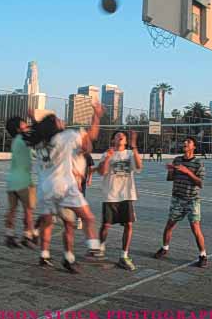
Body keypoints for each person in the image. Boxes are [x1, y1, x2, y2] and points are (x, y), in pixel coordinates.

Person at [30, 103, 104, 274]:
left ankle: (50, 250)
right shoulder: (66, 137)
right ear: (54, 126)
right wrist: (97, 115)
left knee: (55, 222)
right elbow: (91, 137)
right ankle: (93, 247)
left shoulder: (39, 143)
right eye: (57, 119)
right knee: (87, 218)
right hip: (64, 186)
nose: (61, 120)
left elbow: (38, 130)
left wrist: (35, 120)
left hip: (45, 190)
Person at [154, 137, 207, 268]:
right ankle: (164, 248)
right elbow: (170, 178)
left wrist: (187, 171)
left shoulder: (198, 163)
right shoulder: (177, 160)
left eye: (188, 142)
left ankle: (203, 255)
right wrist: (171, 171)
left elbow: (200, 183)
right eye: (184, 142)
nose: (185, 143)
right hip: (177, 199)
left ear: (194, 147)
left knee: (195, 228)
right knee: (169, 226)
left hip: (192, 200)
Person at [98, 130, 142, 271]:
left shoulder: (130, 154)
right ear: (113, 140)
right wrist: (107, 158)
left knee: (129, 224)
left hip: (126, 195)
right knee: (106, 225)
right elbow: (102, 172)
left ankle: (124, 256)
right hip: (111, 195)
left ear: (126, 141)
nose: (120, 136)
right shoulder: (107, 154)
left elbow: (139, 167)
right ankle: (100, 248)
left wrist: (134, 147)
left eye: (122, 135)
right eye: (117, 135)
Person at [5, 117, 38, 249]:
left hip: (12, 180)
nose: (27, 125)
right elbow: (36, 153)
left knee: (12, 210)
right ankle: (27, 236)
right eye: (24, 123)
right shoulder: (24, 140)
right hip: (24, 180)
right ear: (19, 128)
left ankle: (9, 235)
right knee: (28, 210)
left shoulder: (15, 141)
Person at [73, 149, 95, 230]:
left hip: (82, 182)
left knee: (80, 200)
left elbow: (90, 168)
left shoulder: (87, 155)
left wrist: (90, 179)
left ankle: (79, 219)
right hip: (71, 181)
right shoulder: (72, 154)